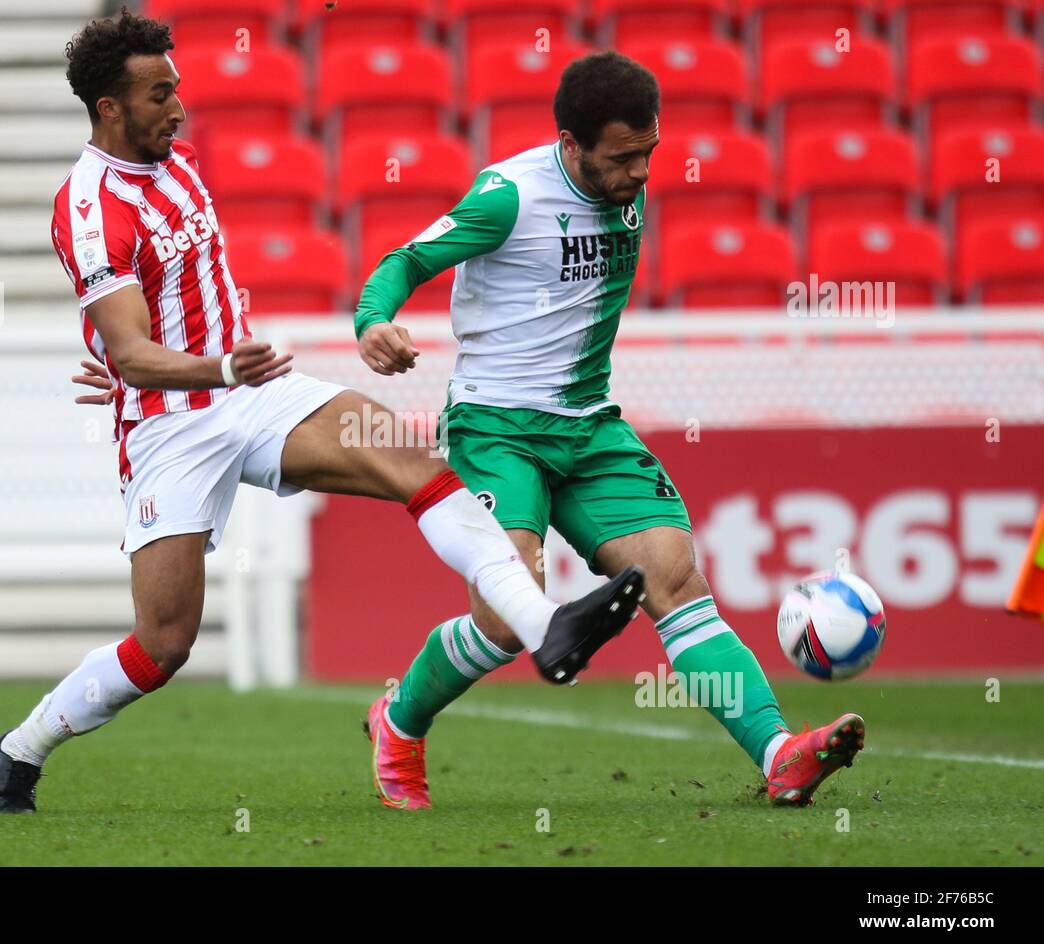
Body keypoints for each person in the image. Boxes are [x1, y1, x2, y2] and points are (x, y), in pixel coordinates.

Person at [0, 10, 642, 814]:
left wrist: (208, 364)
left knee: (412, 461)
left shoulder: (178, 163)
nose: (179, 108)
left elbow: (159, 320)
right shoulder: (87, 206)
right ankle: (17, 751)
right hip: (173, 427)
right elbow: (130, 350)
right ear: (109, 108)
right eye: (159, 95)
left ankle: (546, 628)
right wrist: (187, 367)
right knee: (163, 645)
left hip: (253, 396)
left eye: (177, 88)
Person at [351, 51, 864, 809]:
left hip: (589, 428)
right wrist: (374, 322)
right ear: (571, 144)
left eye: (649, 154)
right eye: (622, 159)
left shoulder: (623, 183)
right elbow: (408, 258)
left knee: (676, 576)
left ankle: (778, 752)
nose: (640, 174)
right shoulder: (506, 197)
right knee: (503, 617)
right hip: (498, 430)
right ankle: (399, 719)